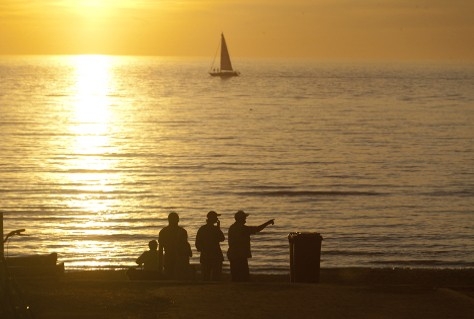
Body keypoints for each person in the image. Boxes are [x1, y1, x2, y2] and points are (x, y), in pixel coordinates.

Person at [227, 210, 274, 282]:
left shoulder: (232, 227)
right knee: (243, 275)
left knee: (235, 275)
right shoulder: (243, 229)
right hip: (240, 255)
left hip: (233, 254)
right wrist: (268, 223)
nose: (245, 219)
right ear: (241, 219)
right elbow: (257, 229)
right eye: (244, 218)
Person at [158, 212, 192, 280]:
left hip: (174, 256)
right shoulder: (182, 231)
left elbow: (161, 248)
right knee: (176, 276)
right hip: (176, 257)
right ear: (178, 220)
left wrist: (160, 263)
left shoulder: (163, 231)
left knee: (170, 276)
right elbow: (185, 245)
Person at [195, 211, 225, 281]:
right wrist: (218, 228)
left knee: (206, 275)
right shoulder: (215, 229)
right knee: (216, 275)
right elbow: (222, 238)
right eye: (216, 217)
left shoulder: (202, 229)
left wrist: (203, 250)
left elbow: (197, 243)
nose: (217, 218)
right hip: (215, 254)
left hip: (206, 255)